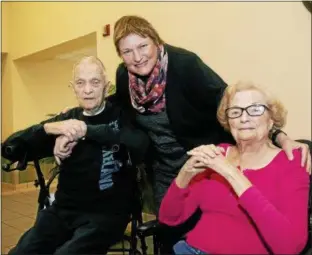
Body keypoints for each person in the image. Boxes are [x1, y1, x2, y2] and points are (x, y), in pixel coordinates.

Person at [110, 15, 311, 251]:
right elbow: (120, 107)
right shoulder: (125, 76)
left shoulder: (185, 66)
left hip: (204, 157)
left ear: (156, 41)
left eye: (143, 46)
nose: (137, 57)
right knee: (171, 229)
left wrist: (279, 136)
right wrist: (80, 114)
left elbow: (228, 103)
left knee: (213, 219)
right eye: (127, 51)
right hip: (165, 165)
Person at [1, 56, 149, 255]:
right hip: (64, 210)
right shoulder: (66, 120)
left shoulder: (121, 115)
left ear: (106, 86)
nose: (87, 90)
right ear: (73, 87)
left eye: (95, 82)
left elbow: (141, 144)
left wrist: (84, 130)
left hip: (106, 213)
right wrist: (49, 128)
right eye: (81, 83)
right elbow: (10, 149)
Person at [158, 81, 310, 254]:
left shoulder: (291, 161)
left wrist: (230, 173)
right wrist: (185, 174)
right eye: (235, 112)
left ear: (271, 120)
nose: (244, 118)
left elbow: (290, 246)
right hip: (191, 250)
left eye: (255, 110)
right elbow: (169, 218)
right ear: (229, 123)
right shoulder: (219, 153)